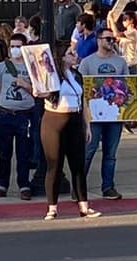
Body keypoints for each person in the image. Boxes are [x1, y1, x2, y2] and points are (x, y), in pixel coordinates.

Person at [40, 44, 100, 220]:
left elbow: (83, 101)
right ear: (61, 57)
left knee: (78, 166)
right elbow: (44, 93)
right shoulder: (52, 76)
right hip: (54, 121)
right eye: (70, 53)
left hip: (74, 120)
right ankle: (52, 207)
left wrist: (87, 125)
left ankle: (84, 206)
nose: (74, 56)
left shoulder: (77, 75)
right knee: (54, 166)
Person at [79, 28, 127, 200]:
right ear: (98, 40)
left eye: (112, 39)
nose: (110, 42)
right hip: (93, 115)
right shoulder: (87, 62)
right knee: (89, 150)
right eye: (107, 39)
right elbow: (81, 89)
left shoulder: (120, 62)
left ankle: (108, 186)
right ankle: (79, 186)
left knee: (110, 153)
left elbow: (127, 87)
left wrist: (127, 114)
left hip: (114, 115)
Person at [0, 36, 34, 200]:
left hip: (24, 114)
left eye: (18, 46)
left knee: (24, 153)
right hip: (4, 113)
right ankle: (2, 184)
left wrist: (24, 84)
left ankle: (24, 185)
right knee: (4, 153)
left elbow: (38, 91)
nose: (14, 49)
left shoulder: (31, 67)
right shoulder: (2, 67)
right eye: (12, 46)